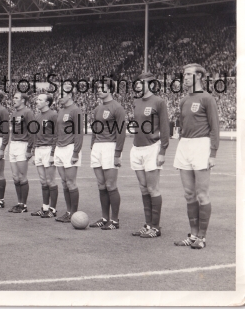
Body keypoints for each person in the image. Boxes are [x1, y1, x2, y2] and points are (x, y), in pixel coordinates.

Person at [174, 63, 219, 249]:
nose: (184, 77)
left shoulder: (207, 98)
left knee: (202, 194)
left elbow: (214, 127)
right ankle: (193, 235)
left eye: (189, 74)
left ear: (199, 77)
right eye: (184, 74)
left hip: (201, 145)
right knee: (188, 194)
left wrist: (213, 153)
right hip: (185, 145)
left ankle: (202, 237)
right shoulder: (183, 100)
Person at [130, 72, 170, 238]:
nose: (138, 85)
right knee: (143, 188)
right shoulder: (136, 101)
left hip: (152, 148)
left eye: (141, 82)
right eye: (137, 83)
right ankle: (147, 225)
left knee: (153, 188)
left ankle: (155, 227)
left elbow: (165, 127)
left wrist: (163, 151)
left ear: (150, 84)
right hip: (136, 148)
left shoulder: (159, 102)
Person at [89, 80, 126, 230]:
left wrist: (117, 153)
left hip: (110, 147)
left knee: (111, 185)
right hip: (97, 147)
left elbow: (121, 131)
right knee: (101, 185)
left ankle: (115, 221)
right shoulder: (98, 108)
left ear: (111, 90)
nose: (99, 90)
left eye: (102, 88)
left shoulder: (117, 108)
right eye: (98, 87)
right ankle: (105, 218)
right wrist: (92, 145)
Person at [54, 82, 83, 223]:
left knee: (71, 182)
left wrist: (76, 152)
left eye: (61, 94)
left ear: (70, 95)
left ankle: (74, 213)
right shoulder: (61, 110)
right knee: (64, 183)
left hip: (70, 148)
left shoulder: (75, 110)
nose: (58, 97)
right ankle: (68, 211)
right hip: (59, 149)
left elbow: (78, 133)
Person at [31, 93, 58, 218]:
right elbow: (35, 135)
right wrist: (33, 152)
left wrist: (53, 153)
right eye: (37, 99)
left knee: (50, 181)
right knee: (43, 181)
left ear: (47, 102)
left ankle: (53, 209)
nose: (37, 101)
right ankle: (45, 208)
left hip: (48, 149)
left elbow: (56, 135)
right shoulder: (37, 117)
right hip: (39, 150)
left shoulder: (53, 115)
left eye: (40, 99)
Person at [8, 92, 35, 213]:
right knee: (15, 177)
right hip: (13, 144)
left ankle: (23, 205)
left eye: (16, 98)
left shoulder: (28, 112)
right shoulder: (14, 113)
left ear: (23, 100)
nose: (13, 99)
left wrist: (29, 149)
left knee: (22, 177)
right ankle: (19, 203)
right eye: (13, 97)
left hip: (22, 145)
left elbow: (32, 131)